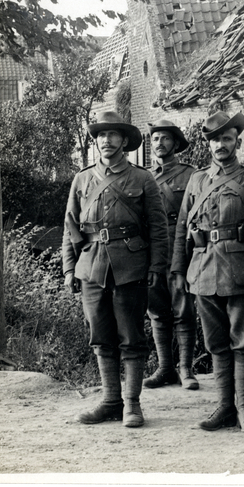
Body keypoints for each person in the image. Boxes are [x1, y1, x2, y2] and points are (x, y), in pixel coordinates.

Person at [171, 111, 244, 434]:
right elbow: (181, 229)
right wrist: (178, 268)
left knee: (243, 340)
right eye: (215, 139)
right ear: (208, 144)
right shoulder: (197, 180)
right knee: (216, 342)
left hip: (240, 270)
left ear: (237, 142)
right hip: (202, 271)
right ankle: (225, 407)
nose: (221, 144)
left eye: (227, 138)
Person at [62, 110, 168, 428]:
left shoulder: (142, 178)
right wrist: (69, 269)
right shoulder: (82, 179)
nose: (105, 141)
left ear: (124, 141)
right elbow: (70, 226)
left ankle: (132, 405)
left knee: (132, 337)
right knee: (101, 337)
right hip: (91, 266)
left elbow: (158, 228)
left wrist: (157, 265)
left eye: (112, 135)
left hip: (131, 265)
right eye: (100, 136)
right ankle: (110, 401)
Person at [142, 120, 199, 391]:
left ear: (175, 144)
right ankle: (165, 368)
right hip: (152, 251)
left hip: (180, 248)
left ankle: (186, 368)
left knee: (184, 309)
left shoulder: (191, 175)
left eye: (165, 139)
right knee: (157, 311)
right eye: (155, 139)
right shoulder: (144, 177)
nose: (159, 144)